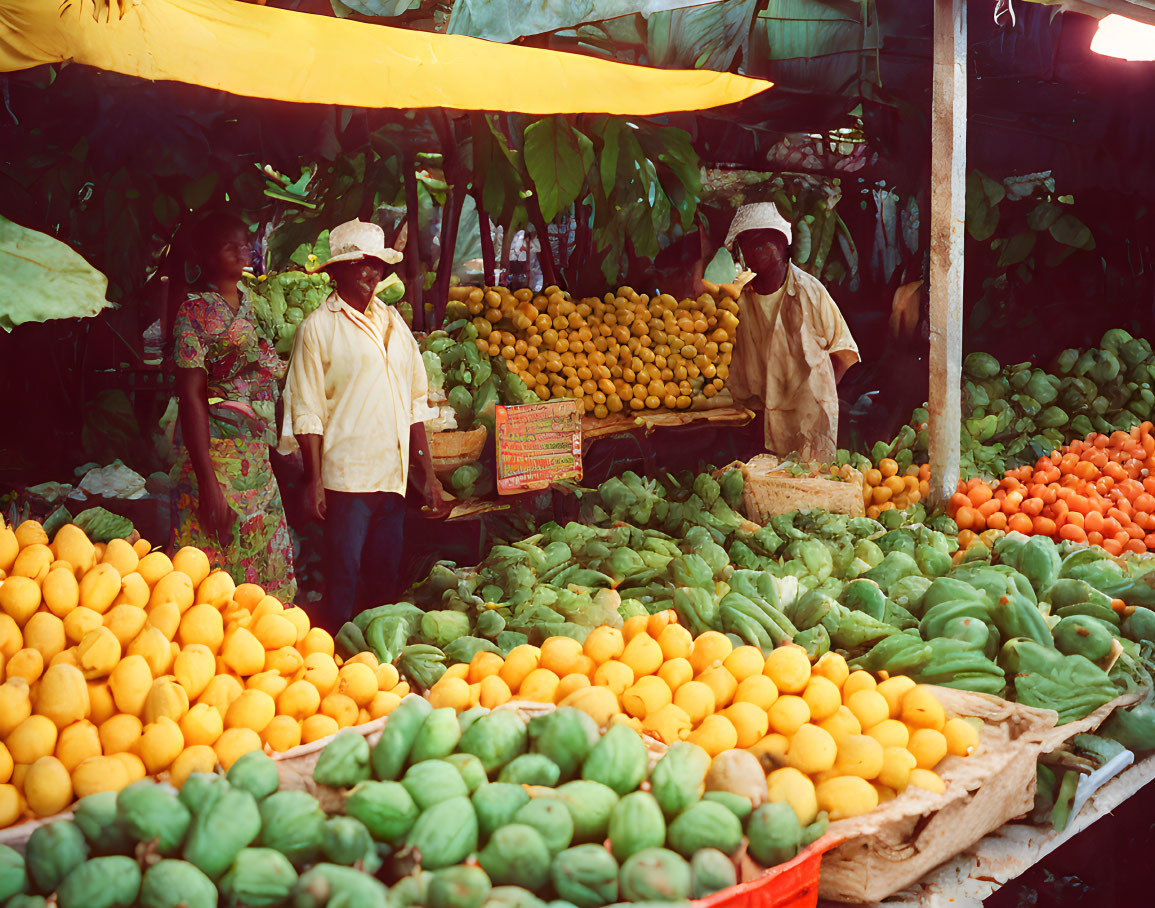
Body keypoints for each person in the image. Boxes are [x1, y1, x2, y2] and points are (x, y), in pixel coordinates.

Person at [279, 219, 449, 633]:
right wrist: (314, 480)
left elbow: (414, 404)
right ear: (336, 272)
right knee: (343, 585)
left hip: (390, 479)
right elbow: (307, 410)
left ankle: (378, 673)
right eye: (360, 265)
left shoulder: (395, 325)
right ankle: (333, 665)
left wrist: (427, 476)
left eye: (376, 265)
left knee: (384, 584)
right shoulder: (317, 328)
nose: (371, 274)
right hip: (345, 483)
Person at [171, 212, 297, 600]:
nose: (244, 251)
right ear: (208, 254)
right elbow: (192, 396)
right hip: (214, 460)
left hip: (256, 463)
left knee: (265, 575)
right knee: (210, 581)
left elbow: (273, 368)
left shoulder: (255, 305)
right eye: (231, 245)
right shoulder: (193, 312)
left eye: (246, 243)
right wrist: (208, 484)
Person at [724, 202, 860, 462]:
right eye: (749, 243)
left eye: (764, 241)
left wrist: (816, 398)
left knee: (808, 490)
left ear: (781, 243)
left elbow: (843, 352)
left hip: (807, 425)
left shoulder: (810, 292)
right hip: (760, 422)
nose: (757, 249)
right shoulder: (740, 301)